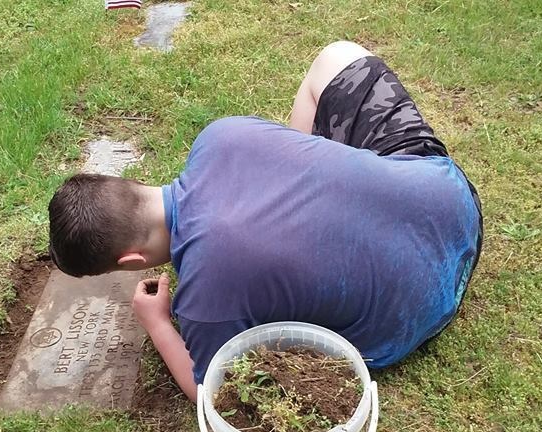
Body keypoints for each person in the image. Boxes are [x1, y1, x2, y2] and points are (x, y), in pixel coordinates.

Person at [48, 41, 483, 402]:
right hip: (446, 198)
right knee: (335, 57)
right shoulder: (221, 135)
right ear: (130, 182)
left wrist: (158, 322)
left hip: (425, 307)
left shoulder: (205, 299)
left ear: (130, 261)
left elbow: (211, 396)